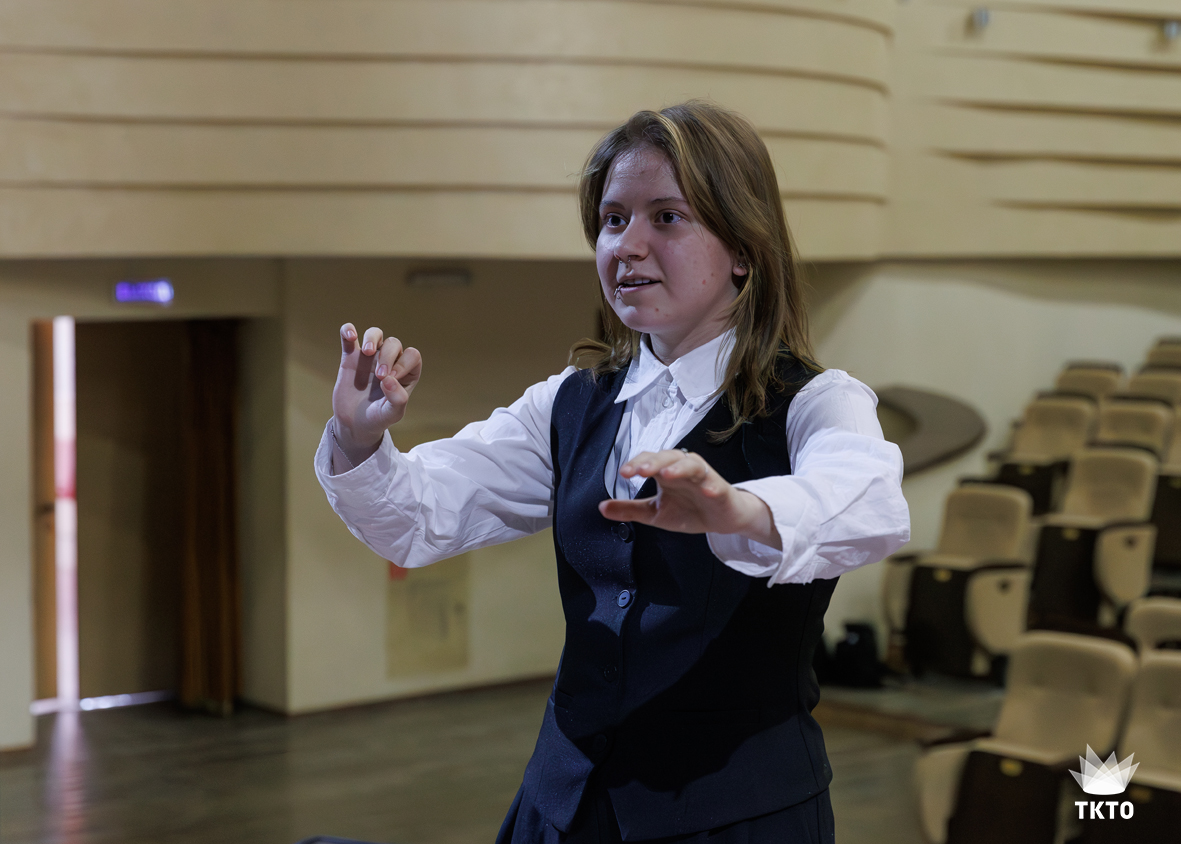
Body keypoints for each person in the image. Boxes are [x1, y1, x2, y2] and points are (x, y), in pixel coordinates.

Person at [316, 101, 910, 844]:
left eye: (667, 217)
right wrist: (358, 436)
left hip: (736, 818)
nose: (627, 245)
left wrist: (739, 511)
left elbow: (868, 503)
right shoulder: (568, 402)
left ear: (742, 249)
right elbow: (417, 518)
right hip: (565, 806)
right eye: (612, 220)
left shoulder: (816, 401)